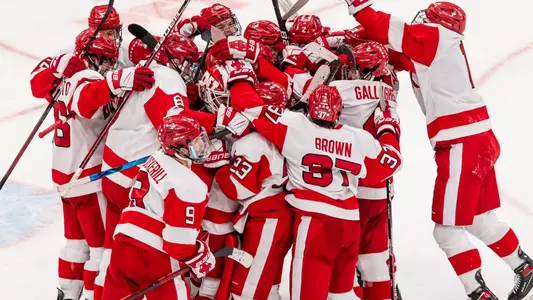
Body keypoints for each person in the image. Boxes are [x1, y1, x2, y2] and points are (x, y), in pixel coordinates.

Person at [344, 0, 533, 299]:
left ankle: (478, 293)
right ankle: (524, 267)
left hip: (462, 145)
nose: (422, 21)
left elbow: (383, 25)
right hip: (479, 139)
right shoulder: (436, 48)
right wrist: (350, 38)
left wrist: (357, 5)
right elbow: (392, 53)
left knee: (446, 231)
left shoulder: (435, 38)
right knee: (478, 218)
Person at [224, 55, 402, 298]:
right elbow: (390, 163)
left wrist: (239, 77)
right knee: (340, 294)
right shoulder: (358, 138)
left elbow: (248, 107)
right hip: (350, 224)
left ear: (309, 108)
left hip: (315, 224)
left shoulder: (295, 127)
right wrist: (388, 128)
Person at [48, 28, 153, 300]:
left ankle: (68, 294)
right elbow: (85, 102)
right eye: (105, 59)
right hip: (88, 178)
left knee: (75, 244)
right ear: (93, 57)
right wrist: (113, 82)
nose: (108, 65)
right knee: (99, 250)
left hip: (66, 176)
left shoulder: (68, 77)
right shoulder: (86, 77)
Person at [102, 115, 215, 300]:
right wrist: (199, 255)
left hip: (122, 247)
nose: (201, 146)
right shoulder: (188, 184)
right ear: (178, 147)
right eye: (194, 142)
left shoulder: (157, 157)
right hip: (152, 258)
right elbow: (177, 244)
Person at [215, 81, 293, 300]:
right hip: (277, 213)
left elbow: (237, 189)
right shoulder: (287, 131)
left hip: (269, 219)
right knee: (268, 285)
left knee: (246, 291)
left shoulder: (253, 142)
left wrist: (219, 166)